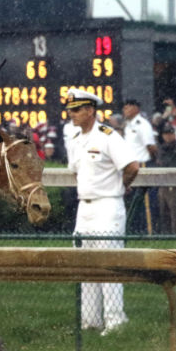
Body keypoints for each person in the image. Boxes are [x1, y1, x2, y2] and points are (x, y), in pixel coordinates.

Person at [66, 88, 139, 335]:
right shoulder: (75, 139)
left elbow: (131, 166)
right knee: (85, 264)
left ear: (90, 110)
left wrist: (122, 185)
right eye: (70, 110)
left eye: (76, 110)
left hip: (108, 204)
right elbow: (76, 171)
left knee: (109, 263)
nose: (72, 115)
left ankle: (115, 321)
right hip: (84, 206)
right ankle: (90, 321)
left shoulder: (108, 135)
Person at [122, 98, 158, 235]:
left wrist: (153, 161)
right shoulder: (128, 125)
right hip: (130, 165)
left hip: (142, 164)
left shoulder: (142, 124)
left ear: (136, 108)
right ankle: (137, 230)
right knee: (134, 200)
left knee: (146, 201)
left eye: (128, 107)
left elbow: (151, 146)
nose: (125, 110)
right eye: (124, 107)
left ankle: (150, 231)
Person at [155, 120, 176, 234]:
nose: (167, 136)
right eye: (165, 134)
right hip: (163, 183)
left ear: (174, 135)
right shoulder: (162, 149)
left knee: (175, 211)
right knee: (163, 210)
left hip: (175, 183)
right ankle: (165, 233)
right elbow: (160, 163)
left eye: (169, 133)